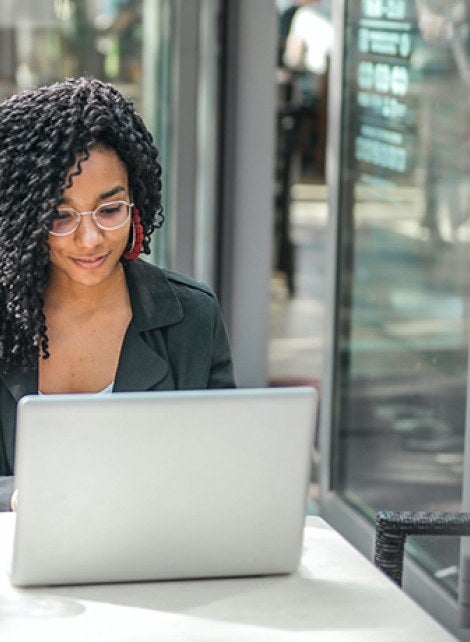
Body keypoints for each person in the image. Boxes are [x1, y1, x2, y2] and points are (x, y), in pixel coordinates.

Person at [0, 77, 235, 511]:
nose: (90, 239)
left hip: (154, 562)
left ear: (137, 202)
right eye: (60, 216)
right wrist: (15, 499)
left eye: (110, 210)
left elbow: (222, 475)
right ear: (24, 218)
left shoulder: (191, 317)